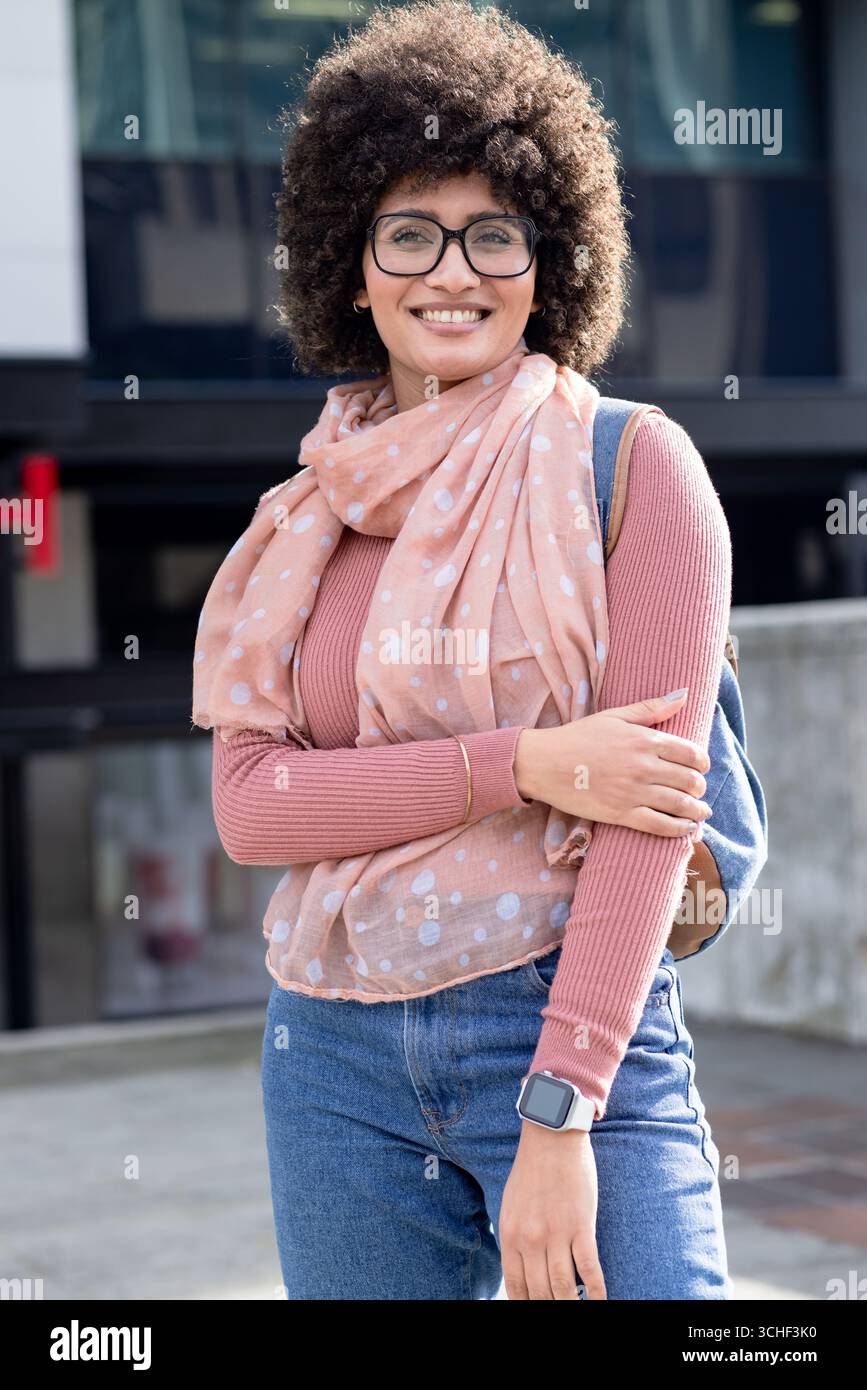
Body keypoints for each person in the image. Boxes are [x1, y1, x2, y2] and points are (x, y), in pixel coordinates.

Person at [192, 0, 732, 1300]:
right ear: (354, 264)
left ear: (551, 262)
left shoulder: (635, 465)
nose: (454, 271)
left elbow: (650, 813)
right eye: (411, 233)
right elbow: (254, 811)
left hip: (567, 1022)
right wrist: (530, 761)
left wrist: (561, 1108)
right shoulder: (309, 515)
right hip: (330, 1052)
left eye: (496, 233)